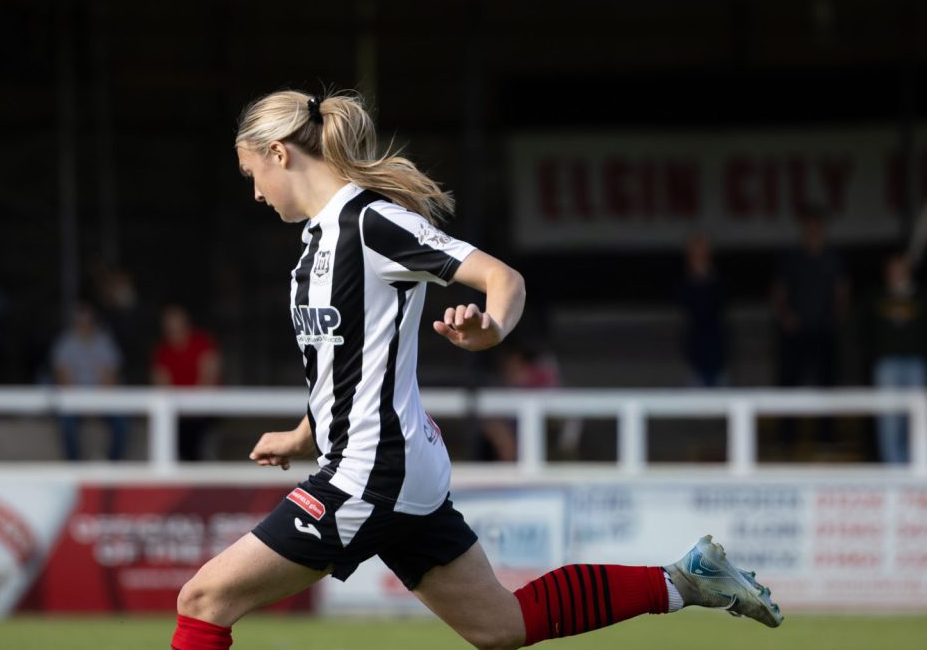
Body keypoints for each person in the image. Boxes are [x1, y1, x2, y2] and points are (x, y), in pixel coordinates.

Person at [171, 90, 782, 650]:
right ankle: (685, 581)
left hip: (375, 468)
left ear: (278, 152)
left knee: (204, 599)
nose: (254, 193)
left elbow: (502, 279)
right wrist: (303, 434)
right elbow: (351, 363)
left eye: (253, 175)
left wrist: (491, 329)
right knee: (500, 627)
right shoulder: (315, 244)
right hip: (389, 462)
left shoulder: (372, 224)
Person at [771, 207, 850, 444]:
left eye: (818, 226)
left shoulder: (833, 257)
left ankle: (826, 435)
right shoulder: (792, 257)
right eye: (810, 226)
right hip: (796, 330)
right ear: (804, 229)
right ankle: (788, 435)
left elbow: (842, 290)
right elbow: (778, 290)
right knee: (789, 382)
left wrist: (837, 316)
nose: (813, 230)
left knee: (827, 383)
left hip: (824, 329)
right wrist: (784, 316)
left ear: (823, 229)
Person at [866, 252, 926, 464]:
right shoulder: (876, 297)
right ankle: (893, 470)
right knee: (889, 419)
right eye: (892, 269)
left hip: (916, 364)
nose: (895, 273)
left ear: (908, 271)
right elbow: (866, 331)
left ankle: (916, 468)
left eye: (900, 269)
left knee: (917, 418)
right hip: (887, 364)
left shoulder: (921, 297)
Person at [50, 301, 128, 461]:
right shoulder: (65, 343)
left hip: (103, 399)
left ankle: (111, 465)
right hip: (74, 400)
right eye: (80, 321)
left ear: (94, 321)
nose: (84, 325)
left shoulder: (104, 342)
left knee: (122, 420)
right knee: (66, 422)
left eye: (88, 321)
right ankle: (75, 467)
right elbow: (63, 378)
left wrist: (96, 403)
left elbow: (110, 376)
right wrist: (81, 403)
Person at [152, 305, 224, 461]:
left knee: (196, 436)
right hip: (178, 412)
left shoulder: (203, 342)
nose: (174, 330)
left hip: (204, 409)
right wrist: (180, 408)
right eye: (169, 326)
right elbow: (162, 385)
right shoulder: (162, 352)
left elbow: (209, 379)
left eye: (178, 324)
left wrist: (193, 406)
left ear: (186, 324)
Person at [676, 233, 728, 387]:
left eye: (702, 252)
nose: (699, 257)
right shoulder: (683, 283)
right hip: (693, 352)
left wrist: (705, 278)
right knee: (695, 402)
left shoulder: (718, 280)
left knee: (720, 402)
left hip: (717, 351)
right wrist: (695, 278)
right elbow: (686, 305)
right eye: (695, 253)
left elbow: (718, 304)